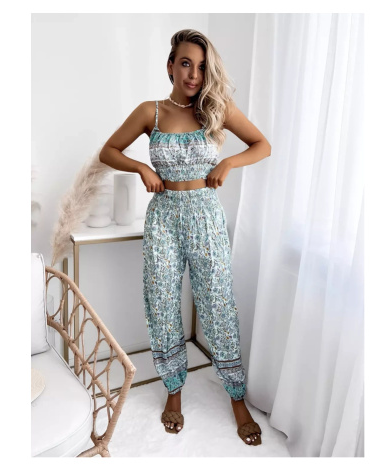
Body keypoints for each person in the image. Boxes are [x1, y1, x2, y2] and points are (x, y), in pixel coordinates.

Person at [99, 29, 271, 446]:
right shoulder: (151, 112)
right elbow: (108, 151)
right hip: (163, 218)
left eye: (201, 66)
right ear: (171, 66)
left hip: (205, 215)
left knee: (218, 303)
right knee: (161, 302)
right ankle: (174, 389)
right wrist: (142, 168)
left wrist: (229, 162)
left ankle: (236, 396)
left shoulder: (217, 109)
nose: (194, 74)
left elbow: (262, 145)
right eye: (186, 64)